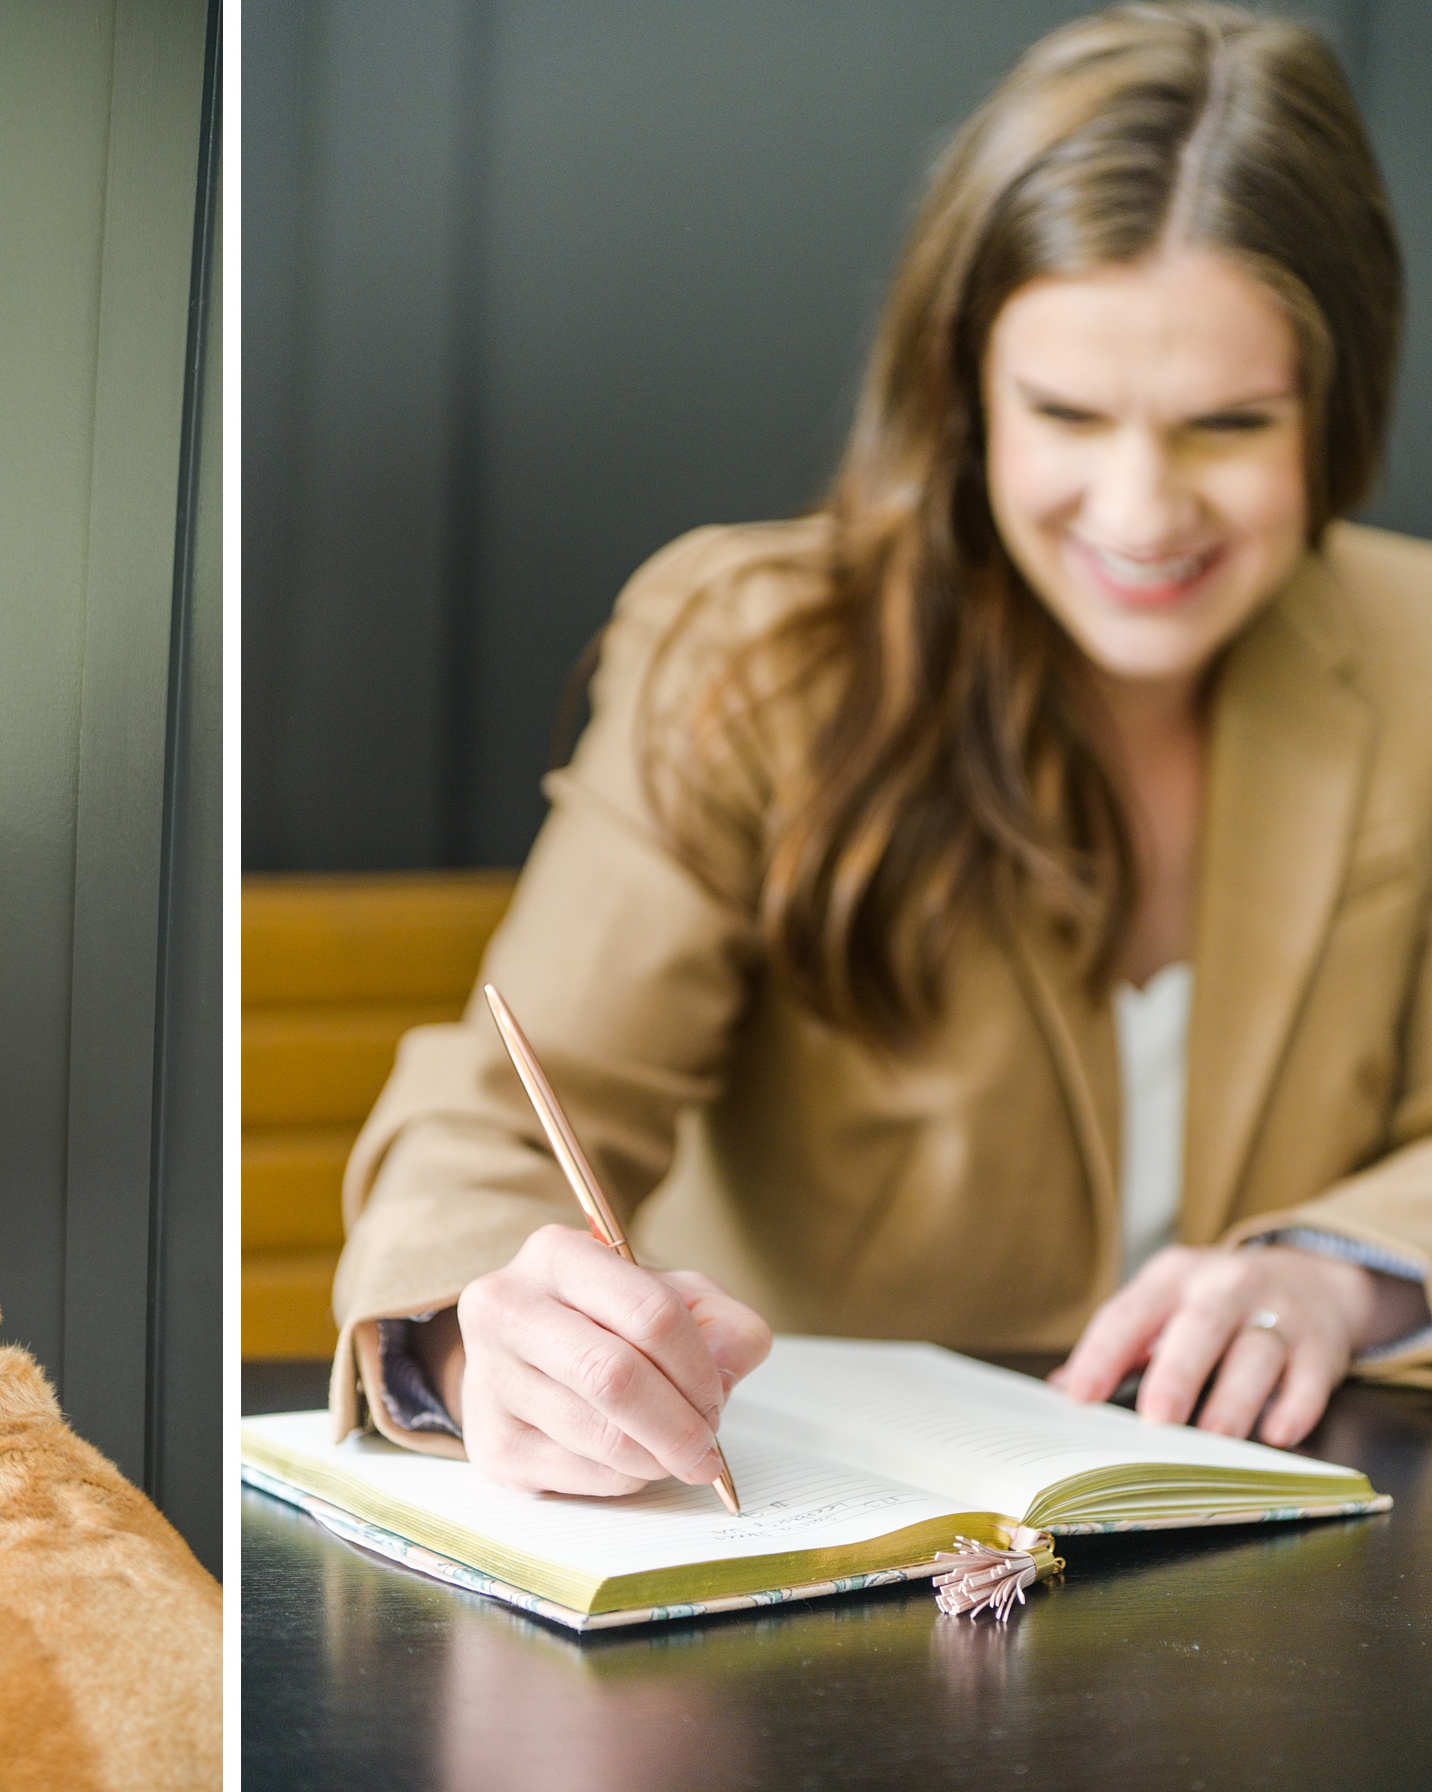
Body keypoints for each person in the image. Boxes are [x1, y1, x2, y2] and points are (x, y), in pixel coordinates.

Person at [332, 1, 1432, 1498]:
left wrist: (1337, 1273)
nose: (1139, 508)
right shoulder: (752, 654)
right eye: (1066, 412)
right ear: (965, 393)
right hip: (827, 1575)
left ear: (1340, 407)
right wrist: (486, 1338)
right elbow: (494, 1114)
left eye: (1225, 425)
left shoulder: (1419, 646)